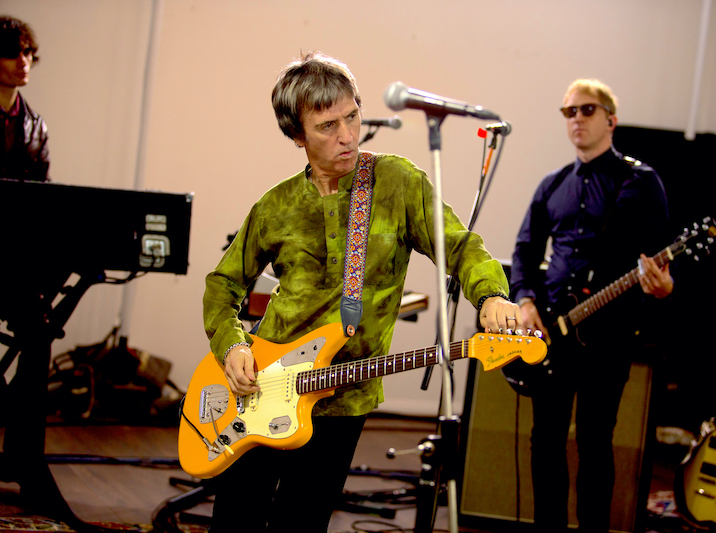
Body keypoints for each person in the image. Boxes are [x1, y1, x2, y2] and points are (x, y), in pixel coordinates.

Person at [202, 51, 521, 532]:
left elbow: (461, 248)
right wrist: (232, 345)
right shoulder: (276, 206)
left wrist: (491, 295)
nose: (347, 135)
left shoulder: (396, 184)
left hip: (343, 394)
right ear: (297, 135)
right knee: (236, 518)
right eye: (328, 126)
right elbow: (222, 285)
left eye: (352, 116)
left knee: (301, 522)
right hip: (263, 385)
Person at [509, 79, 674, 533]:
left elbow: (661, 261)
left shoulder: (641, 181)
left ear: (610, 119)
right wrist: (524, 301)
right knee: (544, 442)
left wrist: (662, 287)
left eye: (586, 110)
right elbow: (524, 250)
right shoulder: (553, 184)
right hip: (550, 332)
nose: (576, 119)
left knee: (596, 443)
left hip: (609, 335)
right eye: (569, 112)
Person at [0, 15, 49, 181]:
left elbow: (42, 188)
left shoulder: (36, 125)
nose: (23, 62)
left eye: (26, 52)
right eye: (12, 53)